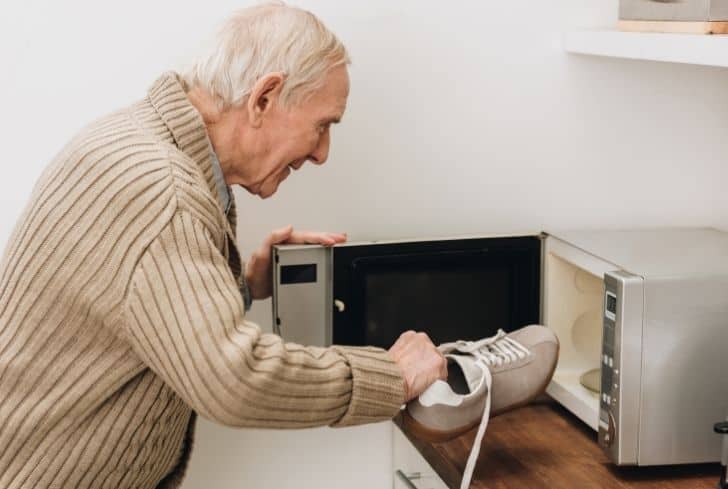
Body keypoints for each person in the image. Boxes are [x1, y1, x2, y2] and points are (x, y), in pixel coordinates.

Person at [0, 3, 447, 488]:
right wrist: (392, 376)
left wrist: (241, 287)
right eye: (323, 125)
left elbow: (142, 314)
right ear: (264, 98)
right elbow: (234, 378)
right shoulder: (162, 191)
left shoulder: (137, 142)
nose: (322, 154)